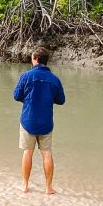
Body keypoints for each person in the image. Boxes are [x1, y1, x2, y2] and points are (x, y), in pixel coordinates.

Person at [13, 47, 66, 195]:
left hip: (28, 120)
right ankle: (48, 188)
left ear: (35, 59)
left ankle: (25, 185)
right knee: (47, 154)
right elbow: (61, 100)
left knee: (27, 153)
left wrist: (29, 98)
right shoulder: (54, 79)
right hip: (46, 122)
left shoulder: (26, 76)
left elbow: (16, 96)